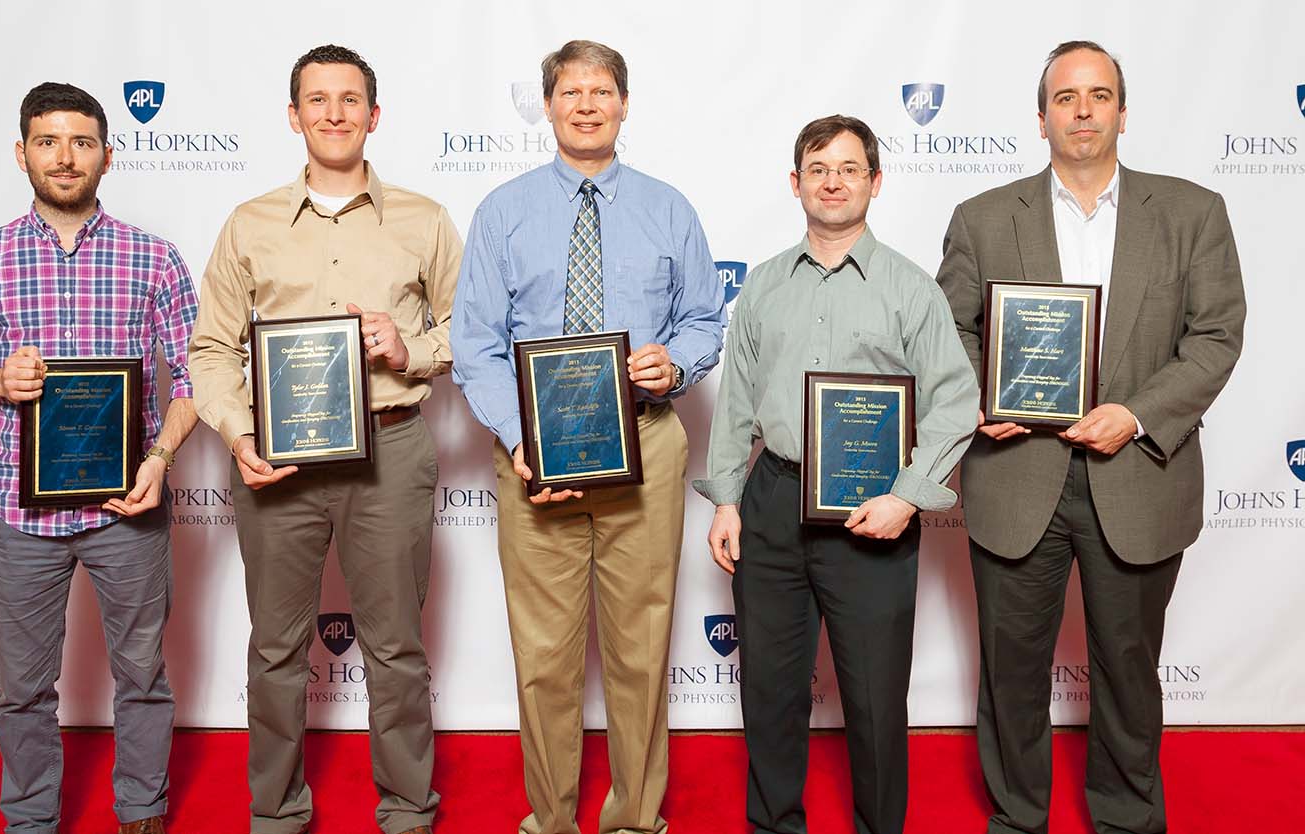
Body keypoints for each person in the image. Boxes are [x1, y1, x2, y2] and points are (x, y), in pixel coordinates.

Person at [936, 41, 1246, 834]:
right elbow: (949, 335)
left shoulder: (1192, 212)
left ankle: (1127, 821)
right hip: (1016, 475)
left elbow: (1215, 335)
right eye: (1066, 97)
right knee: (1010, 675)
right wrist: (979, 398)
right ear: (1041, 118)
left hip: (1139, 472)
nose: (1082, 110)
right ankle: (1016, 819)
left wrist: (1136, 414)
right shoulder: (981, 218)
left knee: (1129, 673)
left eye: (1099, 95)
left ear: (1122, 112)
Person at [451, 38, 725, 834]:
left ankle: (637, 819)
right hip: (534, 457)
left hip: (647, 443)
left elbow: (706, 317)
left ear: (624, 104)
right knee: (544, 660)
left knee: (642, 651)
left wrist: (671, 364)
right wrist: (515, 436)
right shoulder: (503, 211)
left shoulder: (669, 207)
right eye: (570, 91)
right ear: (548, 105)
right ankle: (552, 820)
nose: (585, 103)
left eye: (601, 90)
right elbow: (476, 344)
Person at [0, 82, 198, 834]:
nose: (64, 157)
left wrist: (160, 460)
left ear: (109, 154)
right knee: (24, 687)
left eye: (81, 142)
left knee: (142, 675)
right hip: (18, 512)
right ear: (22, 153)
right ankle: (31, 819)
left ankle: (141, 809)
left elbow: (202, 376)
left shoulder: (155, 258)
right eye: (47, 141)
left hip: (126, 509)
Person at [188, 44, 460, 834]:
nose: (334, 113)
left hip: (392, 446)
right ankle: (275, 812)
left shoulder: (426, 220)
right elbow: (211, 350)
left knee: (397, 647)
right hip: (278, 462)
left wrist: (409, 350)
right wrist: (240, 435)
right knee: (275, 649)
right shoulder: (248, 224)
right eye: (317, 99)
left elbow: (465, 335)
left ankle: (408, 808)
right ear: (293, 115)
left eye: (349, 100)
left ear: (374, 117)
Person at [694, 115, 977, 834]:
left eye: (850, 169)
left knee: (876, 697)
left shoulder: (913, 289)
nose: (833, 181)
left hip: (873, 512)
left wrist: (908, 499)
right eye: (818, 168)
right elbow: (737, 404)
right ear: (796, 184)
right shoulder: (762, 286)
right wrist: (727, 499)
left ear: (875, 184)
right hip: (774, 498)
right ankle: (773, 825)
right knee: (770, 691)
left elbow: (956, 403)